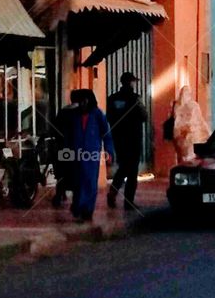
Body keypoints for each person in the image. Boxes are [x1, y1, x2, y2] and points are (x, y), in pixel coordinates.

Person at [70, 89, 114, 222]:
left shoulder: (98, 114)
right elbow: (68, 135)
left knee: (90, 182)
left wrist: (109, 152)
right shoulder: (74, 115)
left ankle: (87, 209)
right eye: (81, 101)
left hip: (92, 154)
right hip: (76, 154)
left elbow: (107, 135)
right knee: (77, 182)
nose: (83, 103)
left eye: (85, 100)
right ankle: (78, 206)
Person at [106, 72, 147, 211]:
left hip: (118, 138)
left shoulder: (112, 99)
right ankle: (128, 201)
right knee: (132, 170)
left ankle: (113, 192)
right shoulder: (135, 98)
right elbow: (144, 116)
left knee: (123, 167)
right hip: (133, 138)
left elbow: (109, 117)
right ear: (130, 83)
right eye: (133, 81)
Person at [51, 89, 80, 209]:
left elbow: (55, 128)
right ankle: (76, 200)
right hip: (75, 147)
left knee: (62, 173)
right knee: (76, 173)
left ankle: (59, 196)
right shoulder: (80, 113)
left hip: (62, 146)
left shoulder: (63, 111)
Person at [172, 85, 209, 164]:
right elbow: (177, 122)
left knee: (190, 155)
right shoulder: (178, 106)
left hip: (192, 135)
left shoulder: (193, 106)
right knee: (186, 156)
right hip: (185, 136)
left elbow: (200, 120)